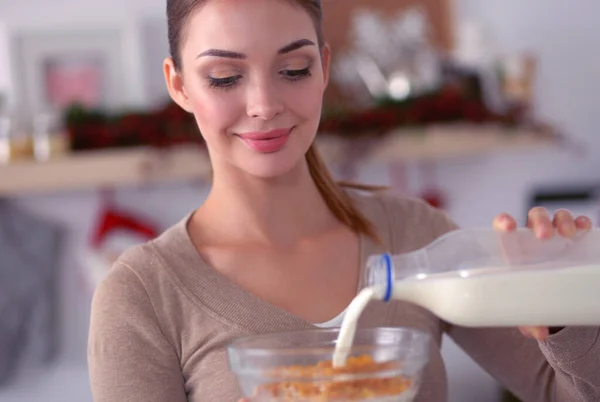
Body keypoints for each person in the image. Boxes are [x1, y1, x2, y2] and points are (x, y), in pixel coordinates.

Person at [87, 0, 600, 401]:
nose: (264, 105)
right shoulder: (141, 296)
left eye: (293, 69)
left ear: (325, 67)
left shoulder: (416, 234)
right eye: (224, 77)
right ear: (178, 85)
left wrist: (562, 312)